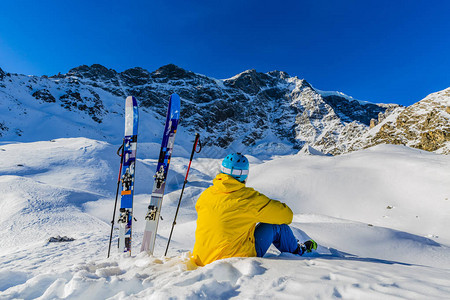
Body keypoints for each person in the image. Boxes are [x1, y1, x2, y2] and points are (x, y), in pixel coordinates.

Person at [192, 153, 317, 266]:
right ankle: (297, 251)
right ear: (244, 175)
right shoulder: (249, 199)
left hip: (202, 258)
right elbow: (286, 216)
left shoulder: (206, 194)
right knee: (275, 227)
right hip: (233, 258)